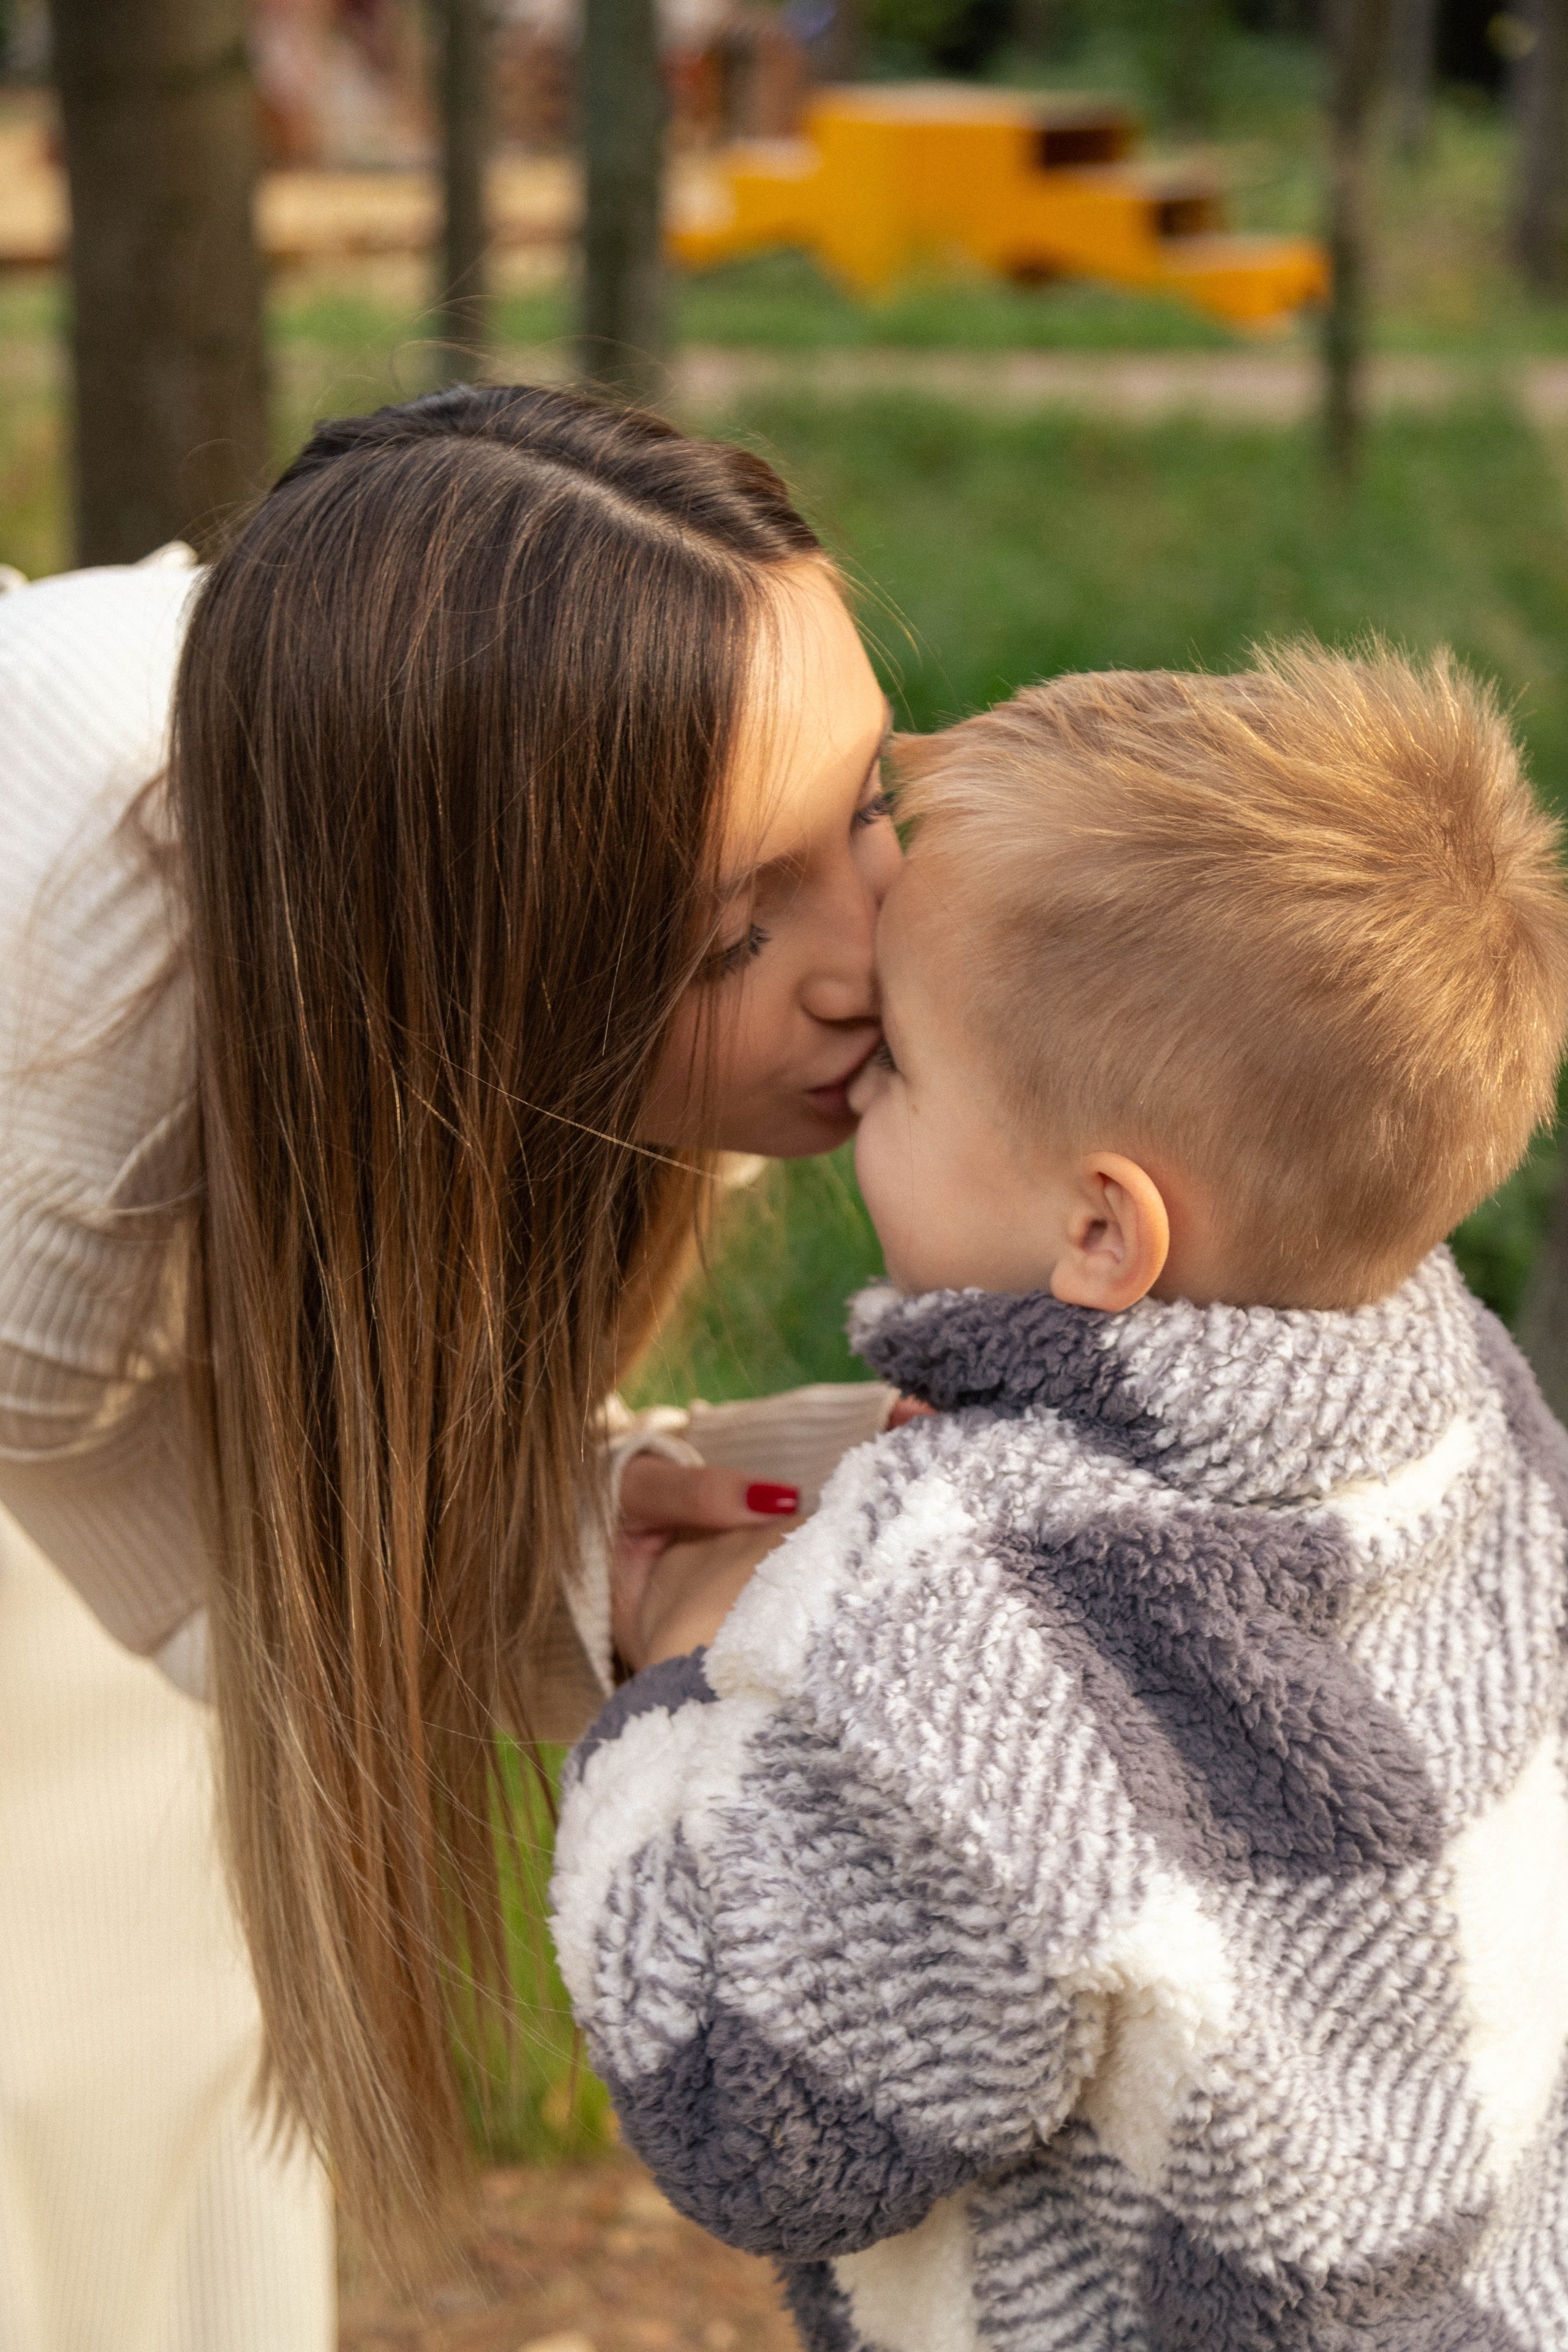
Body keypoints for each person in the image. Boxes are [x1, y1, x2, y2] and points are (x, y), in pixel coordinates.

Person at [0, 383, 903, 2348]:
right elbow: (165, 1522)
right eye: (731, 936)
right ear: (486, 968)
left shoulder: (496, 785)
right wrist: (573, 1597)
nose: (869, 961)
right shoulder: (55, 1126)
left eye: (869, 814)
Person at [553, 644, 1568, 2350]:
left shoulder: (968, 1604)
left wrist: (680, 1693)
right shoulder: (1459, 1395)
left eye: (899, 1079)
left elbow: (770, 2118)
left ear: (1104, 1229)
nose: (856, 1081)